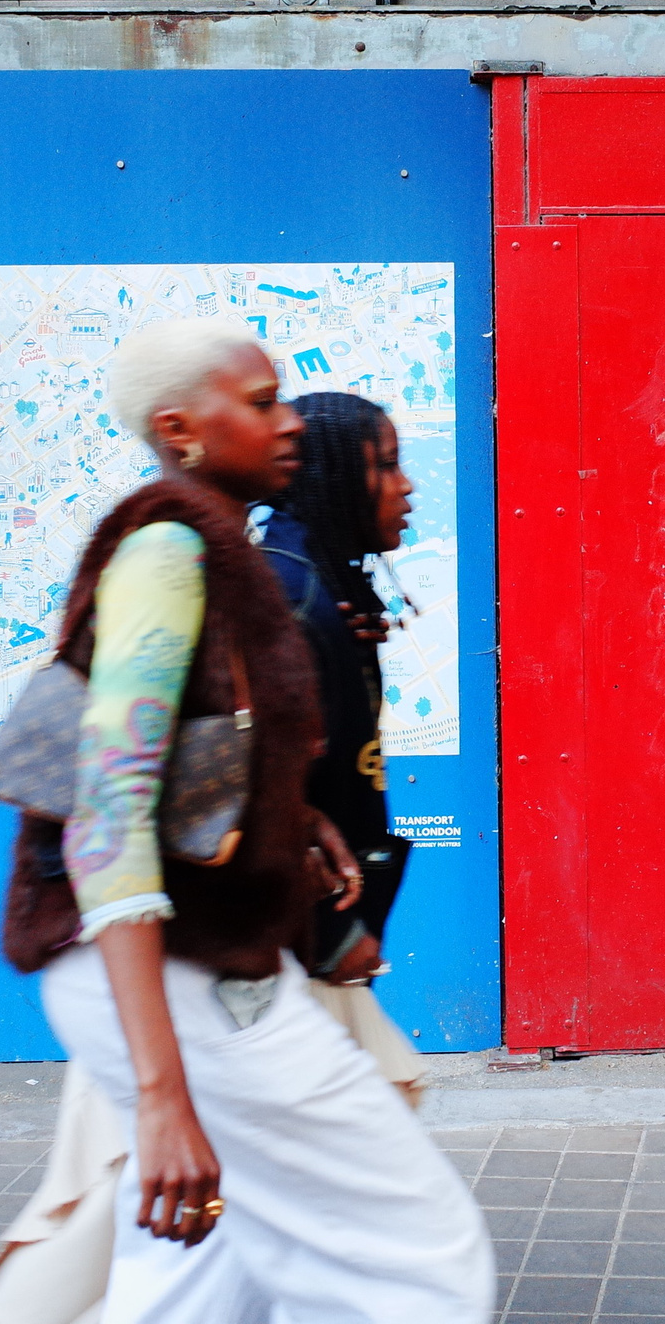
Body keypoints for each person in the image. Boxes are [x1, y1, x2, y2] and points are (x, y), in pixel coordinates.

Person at [0, 320, 492, 1324]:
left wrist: (288, 811)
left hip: (180, 966)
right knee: (423, 1262)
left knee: (196, 1278)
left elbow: (198, 749)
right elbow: (107, 814)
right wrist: (160, 1094)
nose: (292, 423)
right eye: (261, 403)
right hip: (172, 976)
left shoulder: (218, 558)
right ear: (179, 428)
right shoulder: (171, 551)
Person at [262, 393, 424, 1101]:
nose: (406, 484)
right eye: (385, 466)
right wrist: (332, 932)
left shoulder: (323, 591)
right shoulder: (295, 601)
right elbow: (268, 787)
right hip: (294, 952)